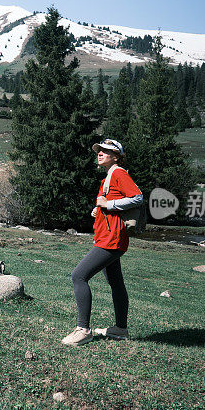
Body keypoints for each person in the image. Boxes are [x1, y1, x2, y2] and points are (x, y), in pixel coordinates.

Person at [61, 139, 143, 346]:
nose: (100, 154)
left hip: (111, 239)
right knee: (116, 283)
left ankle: (83, 329)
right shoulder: (109, 177)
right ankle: (120, 329)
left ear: (116, 157)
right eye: (99, 151)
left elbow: (137, 197)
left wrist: (110, 204)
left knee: (79, 275)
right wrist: (100, 209)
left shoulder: (118, 173)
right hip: (108, 236)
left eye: (106, 151)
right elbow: (111, 202)